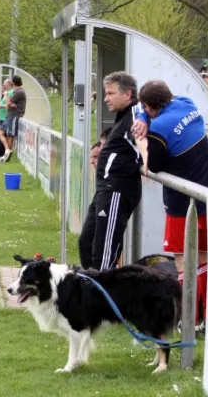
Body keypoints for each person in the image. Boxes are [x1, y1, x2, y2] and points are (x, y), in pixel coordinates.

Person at [132, 80, 208, 328]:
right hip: (206, 196)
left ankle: (189, 317)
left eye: (144, 108)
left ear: (149, 105)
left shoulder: (159, 128)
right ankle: (203, 316)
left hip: (181, 204)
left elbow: (154, 166)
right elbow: (150, 111)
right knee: (203, 257)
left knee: (182, 260)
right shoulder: (186, 103)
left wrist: (141, 142)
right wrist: (142, 117)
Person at [78, 71, 142, 271]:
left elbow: (145, 144)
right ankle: (91, 291)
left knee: (104, 255)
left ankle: (104, 297)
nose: (105, 99)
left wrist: (146, 162)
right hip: (103, 190)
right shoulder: (123, 116)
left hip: (117, 190)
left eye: (110, 93)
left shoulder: (136, 115)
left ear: (128, 94)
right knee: (86, 242)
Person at [0, 75, 27, 163]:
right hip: (9, 115)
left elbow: (8, 103)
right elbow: (10, 104)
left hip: (14, 115)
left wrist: (6, 95)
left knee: (10, 136)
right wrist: (10, 104)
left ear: (13, 83)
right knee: (0, 132)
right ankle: (7, 150)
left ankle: (7, 156)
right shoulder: (16, 91)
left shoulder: (19, 92)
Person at [0, 79, 14, 159]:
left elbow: (9, 105)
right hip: (2, 116)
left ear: (9, 85)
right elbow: (5, 104)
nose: (3, 86)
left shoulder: (11, 93)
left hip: (6, 117)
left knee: (2, 134)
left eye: (4, 84)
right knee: (2, 135)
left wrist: (0, 106)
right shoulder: (6, 93)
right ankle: (1, 153)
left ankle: (2, 153)